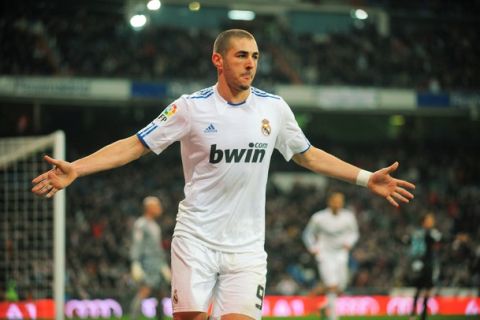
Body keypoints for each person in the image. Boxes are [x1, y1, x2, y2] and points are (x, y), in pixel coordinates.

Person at [31, 29, 415, 320]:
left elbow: (308, 156)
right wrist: (77, 168)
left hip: (247, 249)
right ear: (218, 60)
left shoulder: (274, 109)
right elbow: (136, 144)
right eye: (241, 56)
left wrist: (367, 178)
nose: (250, 63)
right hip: (195, 240)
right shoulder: (190, 108)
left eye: (256, 57)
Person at [302, 191, 359, 320]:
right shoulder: (319, 217)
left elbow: (354, 233)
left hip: (341, 254)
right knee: (332, 285)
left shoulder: (348, 217)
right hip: (325, 255)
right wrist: (313, 247)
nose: (338, 204)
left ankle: (325, 305)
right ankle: (333, 317)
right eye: (335, 201)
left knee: (341, 285)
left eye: (340, 201)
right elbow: (307, 234)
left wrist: (350, 242)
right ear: (330, 202)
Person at [130, 196, 171, 320]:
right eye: (157, 205)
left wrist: (163, 265)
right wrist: (135, 262)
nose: (160, 208)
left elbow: (157, 248)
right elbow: (137, 243)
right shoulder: (141, 224)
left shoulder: (155, 226)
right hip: (146, 264)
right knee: (143, 292)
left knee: (161, 294)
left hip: (158, 264)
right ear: (149, 208)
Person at [407, 212, 441, 320]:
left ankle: (423, 315)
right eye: (428, 220)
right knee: (419, 288)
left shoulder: (433, 233)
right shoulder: (419, 233)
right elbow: (414, 248)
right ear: (423, 222)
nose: (431, 222)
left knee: (427, 290)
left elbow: (441, 239)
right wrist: (415, 260)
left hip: (430, 263)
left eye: (431, 220)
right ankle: (413, 313)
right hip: (421, 263)